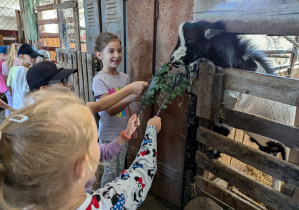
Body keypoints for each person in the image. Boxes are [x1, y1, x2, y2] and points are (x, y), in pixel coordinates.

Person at [0, 91, 161, 209]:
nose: (98, 145)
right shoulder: (110, 203)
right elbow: (142, 172)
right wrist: (151, 131)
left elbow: (104, 151)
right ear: (81, 167)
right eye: (94, 139)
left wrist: (125, 134)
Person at [92, 32, 139, 187]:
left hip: (124, 133)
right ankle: (104, 200)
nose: (117, 55)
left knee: (120, 170)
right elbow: (110, 109)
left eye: (119, 50)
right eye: (111, 51)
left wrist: (131, 125)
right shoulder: (99, 80)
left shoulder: (125, 78)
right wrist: (131, 96)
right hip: (109, 136)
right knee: (110, 173)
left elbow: (126, 105)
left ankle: (116, 199)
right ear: (99, 55)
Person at [11, 43, 43, 109]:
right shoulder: (25, 71)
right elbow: (25, 91)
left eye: (36, 56)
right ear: (22, 56)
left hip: (19, 105)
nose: (35, 59)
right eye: (32, 56)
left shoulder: (20, 69)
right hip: (25, 105)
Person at [2, 44, 20, 116]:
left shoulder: (4, 64)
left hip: (11, 86)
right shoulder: (19, 61)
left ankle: (9, 119)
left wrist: (10, 90)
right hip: (19, 85)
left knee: (10, 104)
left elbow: (6, 79)